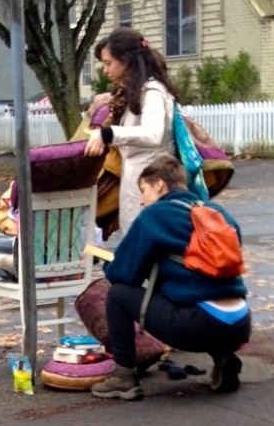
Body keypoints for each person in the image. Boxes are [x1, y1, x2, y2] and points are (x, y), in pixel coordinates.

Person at [92, 155, 251, 402]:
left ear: (159, 185)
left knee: (118, 295)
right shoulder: (217, 212)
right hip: (240, 324)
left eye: (143, 190)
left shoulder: (155, 215)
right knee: (203, 294)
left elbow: (121, 275)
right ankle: (225, 358)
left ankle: (123, 377)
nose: (142, 201)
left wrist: (116, 263)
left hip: (197, 325)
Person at [82, 28, 181, 238]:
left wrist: (108, 134)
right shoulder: (135, 91)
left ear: (126, 60)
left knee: (143, 242)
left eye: (108, 63)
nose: (105, 70)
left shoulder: (152, 91)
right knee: (136, 240)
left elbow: (153, 133)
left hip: (153, 183)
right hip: (140, 180)